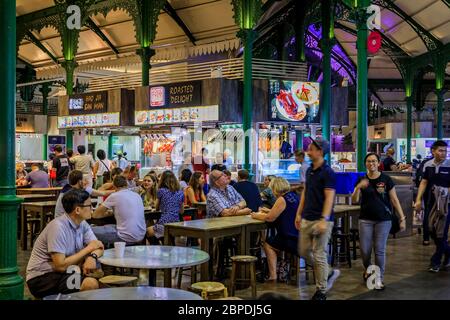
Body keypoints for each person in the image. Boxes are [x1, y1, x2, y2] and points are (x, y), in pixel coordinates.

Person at [25, 189, 104, 298]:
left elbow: (99, 246)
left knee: (95, 277)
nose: (92, 208)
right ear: (77, 210)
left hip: (64, 272)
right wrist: (88, 249)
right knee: (90, 283)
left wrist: (92, 257)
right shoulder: (58, 227)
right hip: (42, 278)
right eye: (90, 205)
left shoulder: (82, 223)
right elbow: (60, 266)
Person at [351, 153, 406, 290]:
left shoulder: (386, 179)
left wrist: (402, 217)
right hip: (365, 220)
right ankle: (369, 270)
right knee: (364, 251)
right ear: (365, 164)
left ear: (378, 163)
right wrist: (358, 187)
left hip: (384, 220)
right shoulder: (361, 179)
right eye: (369, 161)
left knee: (379, 250)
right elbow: (354, 200)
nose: (371, 164)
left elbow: (394, 199)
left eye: (374, 161)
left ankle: (379, 278)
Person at [295, 137, 340, 300]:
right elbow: (305, 192)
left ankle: (321, 291)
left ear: (320, 151)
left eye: (311, 148)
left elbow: (329, 197)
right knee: (303, 251)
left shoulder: (328, 173)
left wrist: (324, 219)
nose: (308, 151)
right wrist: (299, 213)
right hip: (307, 216)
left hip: (322, 219)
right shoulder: (309, 170)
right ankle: (328, 272)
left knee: (319, 253)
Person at [252, 177, 299, 281]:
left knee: (267, 244)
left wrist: (255, 215)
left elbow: (270, 218)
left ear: (275, 188)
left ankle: (273, 276)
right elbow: (285, 212)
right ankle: (284, 268)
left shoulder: (282, 199)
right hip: (298, 235)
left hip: (289, 238)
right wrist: (269, 210)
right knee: (273, 240)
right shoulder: (294, 196)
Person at [414, 140, 450, 272]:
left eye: (445, 151)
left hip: (446, 205)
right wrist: (418, 200)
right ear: (433, 151)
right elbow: (424, 182)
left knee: (442, 234)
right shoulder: (427, 165)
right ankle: (448, 253)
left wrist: (445, 193)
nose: (443, 153)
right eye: (441, 150)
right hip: (430, 202)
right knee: (430, 229)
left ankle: (435, 261)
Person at [92, 175, 146, 245]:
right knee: (110, 227)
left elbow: (95, 215)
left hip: (125, 236)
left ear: (114, 186)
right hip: (141, 235)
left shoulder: (114, 196)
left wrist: (108, 213)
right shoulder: (137, 195)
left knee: (88, 231)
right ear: (126, 184)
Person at [146, 171, 184, 240]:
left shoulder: (161, 191)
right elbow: (181, 211)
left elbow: (156, 208)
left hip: (165, 224)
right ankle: (165, 246)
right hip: (177, 224)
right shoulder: (180, 192)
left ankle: (158, 247)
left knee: (146, 232)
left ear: (162, 180)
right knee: (160, 234)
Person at [414, 154, 434, 245]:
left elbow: (419, 179)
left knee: (427, 212)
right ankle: (434, 236)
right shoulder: (445, 164)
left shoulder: (425, 162)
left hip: (427, 192)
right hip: (432, 193)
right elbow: (423, 181)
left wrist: (419, 198)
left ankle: (426, 238)